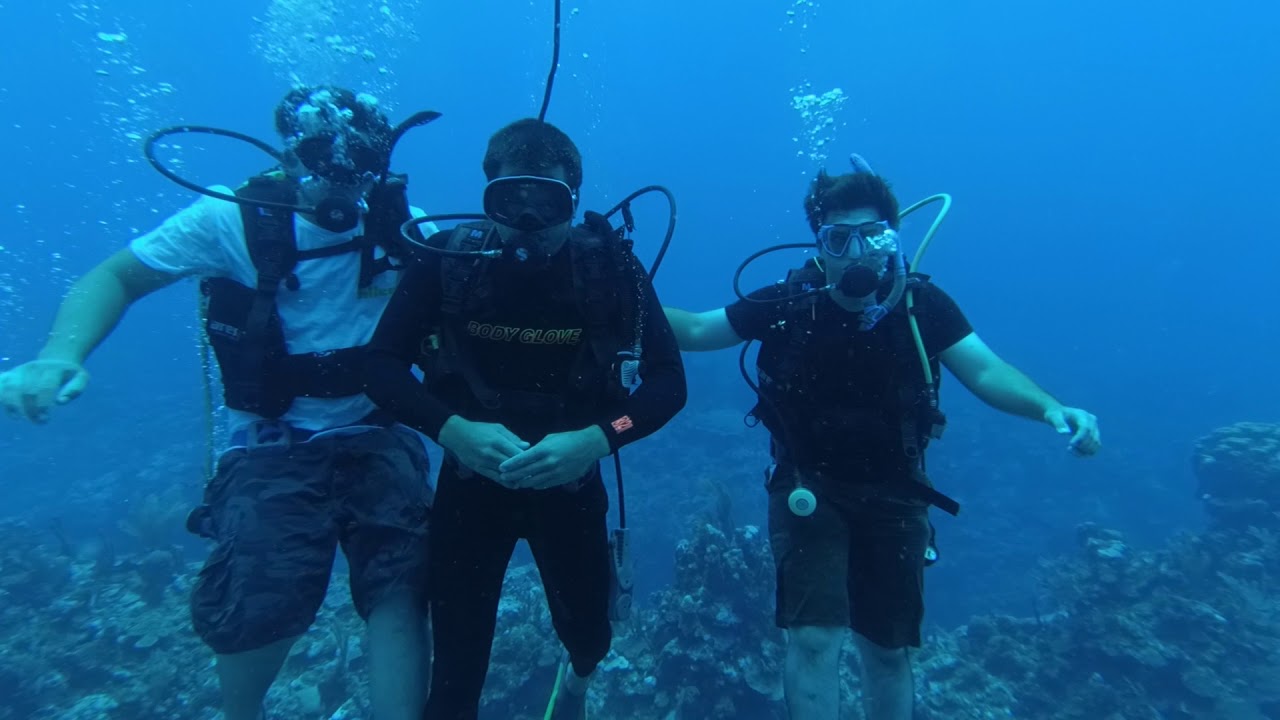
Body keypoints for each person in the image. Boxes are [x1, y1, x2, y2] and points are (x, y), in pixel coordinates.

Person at [0, 85, 434, 720]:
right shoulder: (231, 218)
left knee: (404, 585)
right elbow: (115, 276)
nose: (338, 183)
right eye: (319, 161)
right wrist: (62, 354)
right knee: (263, 600)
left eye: (356, 167)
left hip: (376, 428)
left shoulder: (402, 224)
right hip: (272, 436)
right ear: (289, 156)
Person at [663, 160, 1101, 720]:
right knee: (815, 638)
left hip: (897, 493)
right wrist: (624, 300)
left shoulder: (921, 306)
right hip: (807, 487)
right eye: (838, 237)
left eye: (873, 234)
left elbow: (986, 372)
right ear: (820, 244)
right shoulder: (787, 303)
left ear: (894, 237)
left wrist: (1050, 407)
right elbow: (700, 330)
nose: (856, 251)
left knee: (887, 648)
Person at [363, 117, 687, 720]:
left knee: (590, 638)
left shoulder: (611, 268)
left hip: (571, 488)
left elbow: (669, 384)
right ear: (488, 195)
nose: (529, 221)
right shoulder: (446, 263)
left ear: (576, 197)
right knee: (456, 677)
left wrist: (597, 439)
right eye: (511, 199)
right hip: (468, 491)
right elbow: (379, 366)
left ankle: (578, 682)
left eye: (550, 201)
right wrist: (451, 429)